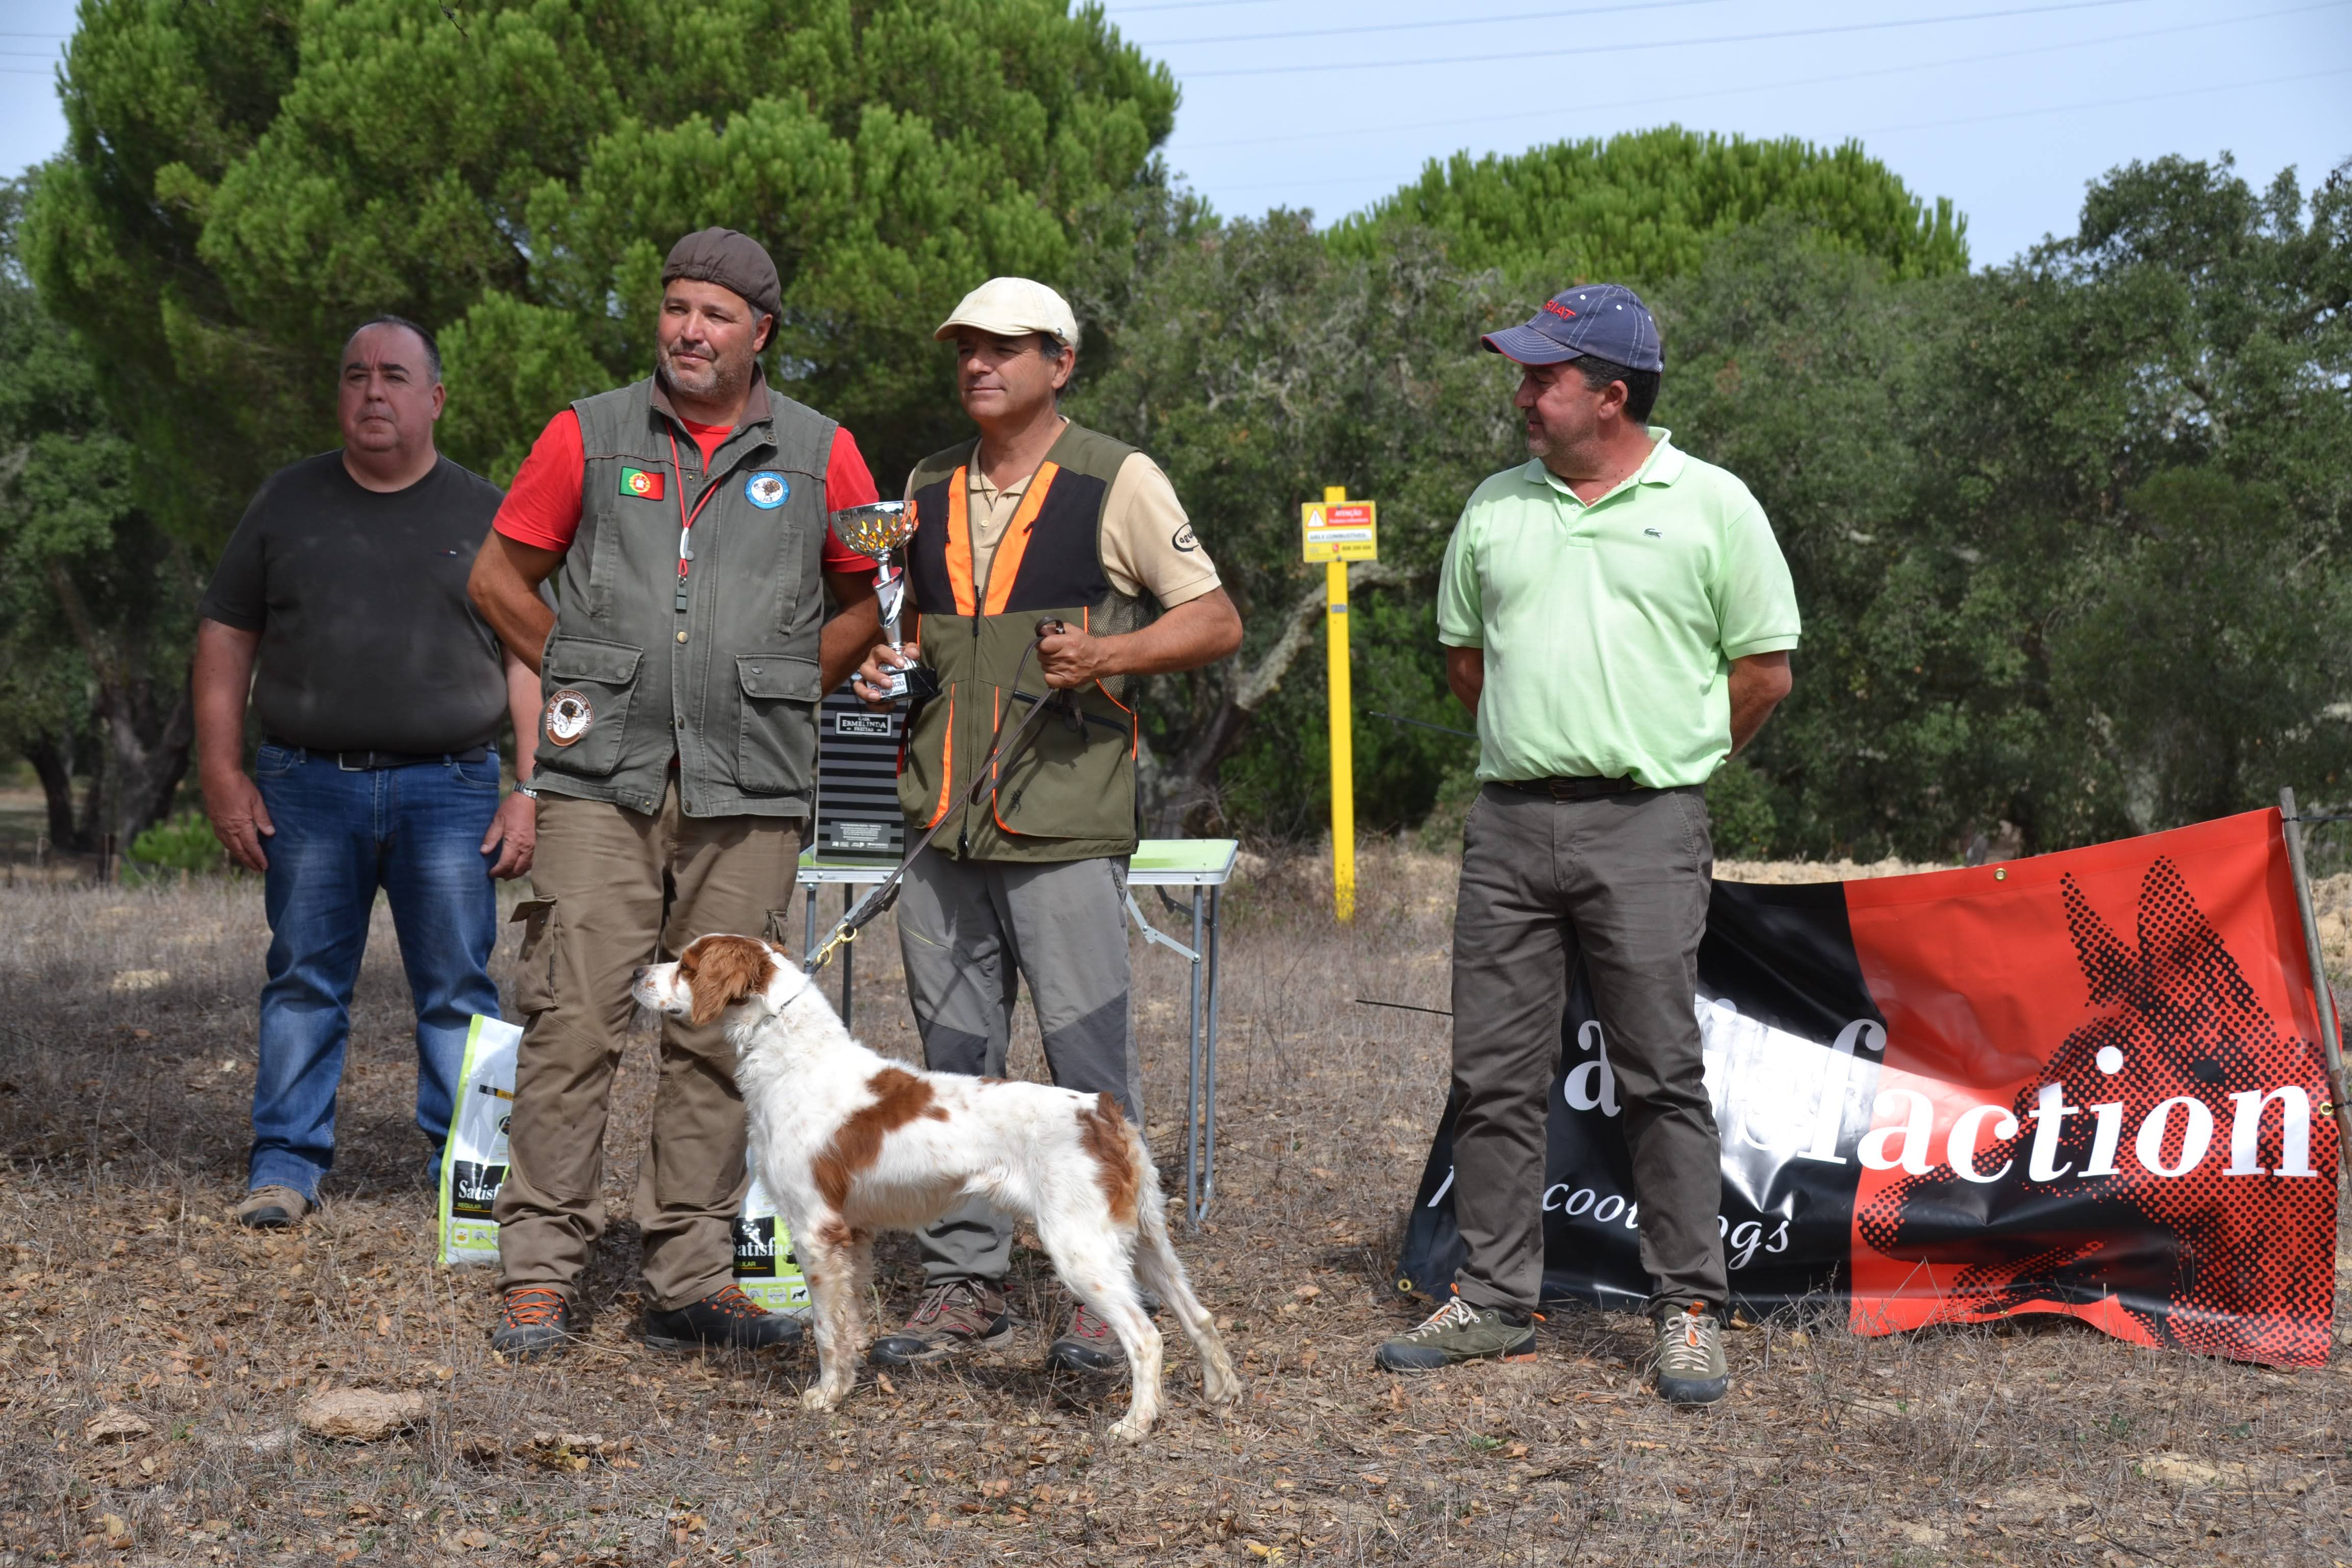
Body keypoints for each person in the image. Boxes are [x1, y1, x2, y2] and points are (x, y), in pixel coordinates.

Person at [1373, 285, 1799, 1405]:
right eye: (1522, 375)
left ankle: (1690, 1309)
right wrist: (1544, 751)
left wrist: (1670, 763)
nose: (1522, 395)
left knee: (1661, 1073)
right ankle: (1497, 1301)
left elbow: (1762, 673)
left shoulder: (1714, 504)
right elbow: (1468, 668)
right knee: (1494, 1075)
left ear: (1610, 395)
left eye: (1542, 377)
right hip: (1509, 822)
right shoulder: (1494, 509)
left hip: (1648, 823)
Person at [468, 229, 881, 1359]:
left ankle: (690, 1273)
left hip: (748, 786)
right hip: (602, 783)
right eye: (675, 308)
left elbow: (869, 593)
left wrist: (790, 686)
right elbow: (496, 575)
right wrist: (579, 672)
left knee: (718, 1031)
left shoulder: (822, 451)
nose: (689, 331)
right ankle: (540, 1273)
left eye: (715, 315)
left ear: (761, 334)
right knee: (575, 1019)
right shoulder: (589, 434)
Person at [852, 277, 1243, 1372]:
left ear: (1060, 362)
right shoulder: (924, 486)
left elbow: (1215, 619)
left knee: (1086, 1071)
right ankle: (962, 1283)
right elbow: (913, 627)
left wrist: (1111, 654)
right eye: (966, 347)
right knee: (953, 1068)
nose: (981, 364)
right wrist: (892, 655)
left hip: (1063, 824)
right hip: (944, 820)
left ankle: (1101, 1287)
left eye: (1007, 348)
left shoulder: (1117, 477)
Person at [193, 316, 541, 1231]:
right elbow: (227, 635)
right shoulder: (285, 503)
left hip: (453, 789)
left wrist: (531, 788)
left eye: (393, 376)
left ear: (436, 398)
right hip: (308, 785)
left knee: (461, 990)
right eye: (354, 376)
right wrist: (223, 772)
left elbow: (528, 657)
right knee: (304, 981)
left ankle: (473, 1174)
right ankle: (285, 1164)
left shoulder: (488, 512)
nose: (372, 393)